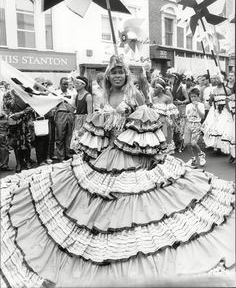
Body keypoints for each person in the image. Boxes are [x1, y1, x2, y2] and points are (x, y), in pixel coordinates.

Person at [0, 55, 235, 288]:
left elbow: (149, 124)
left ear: (126, 74)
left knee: (140, 203)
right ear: (108, 76)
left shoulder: (136, 94)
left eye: (121, 72)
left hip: (135, 156)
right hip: (107, 155)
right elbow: (99, 127)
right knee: (100, 203)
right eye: (113, 72)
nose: (117, 76)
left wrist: (133, 120)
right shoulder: (104, 95)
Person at [2, 89, 34, 172]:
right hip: (14, 123)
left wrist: (21, 113)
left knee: (27, 143)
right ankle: (19, 163)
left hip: (25, 122)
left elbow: (32, 106)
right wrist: (12, 115)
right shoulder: (8, 94)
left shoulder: (25, 93)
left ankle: (27, 161)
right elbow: (5, 108)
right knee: (16, 144)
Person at [151, 77, 178, 154]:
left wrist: (173, 123)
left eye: (156, 88)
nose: (154, 89)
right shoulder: (154, 99)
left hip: (164, 123)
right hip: (155, 124)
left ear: (161, 89)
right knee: (157, 141)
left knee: (165, 140)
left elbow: (172, 112)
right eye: (154, 87)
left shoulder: (167, 99)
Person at [54, 77, 75, 162]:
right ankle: (60, 157)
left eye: (67, 84)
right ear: (60, 84)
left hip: (70, 114)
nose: (66, 86)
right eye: (64, 84)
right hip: (60, 113)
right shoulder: (56, 93)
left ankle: (68, 155)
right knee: (60, 136)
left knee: (69, 135)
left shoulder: (71, 93)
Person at [70, 76, 93, 152]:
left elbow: (90, 113)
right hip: (77, 120)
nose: (75, 85)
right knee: (76, 142)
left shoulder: (88, 96)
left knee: (83, 142)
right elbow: (74, 108)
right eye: (75, 83)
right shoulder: (76, 96)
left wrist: (84, 127)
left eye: (77, 83)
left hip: (84, 121)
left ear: (84, 85)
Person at [184, 88, 206, 168]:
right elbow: (186, 116)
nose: (193, 98)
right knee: (187, 143)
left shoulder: (201, 105)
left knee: (193, 143)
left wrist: (197, 108)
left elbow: (202, 116)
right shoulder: (188, 106)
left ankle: (201, 154)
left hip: (196, 124)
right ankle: (193, 159)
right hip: (188, 124)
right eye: (191, 97)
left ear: (198, 96)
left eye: (195, 96)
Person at [171, 73, 189, 152]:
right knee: (175, 127)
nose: (171, 79)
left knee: (181, 127)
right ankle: (175, 143)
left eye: (172, 78)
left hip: (181, 108)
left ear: (177, 79)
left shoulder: (182, 88)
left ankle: (181, 144)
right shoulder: (171, 87)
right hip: (174, 109)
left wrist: (181, 102)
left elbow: (188, 99)